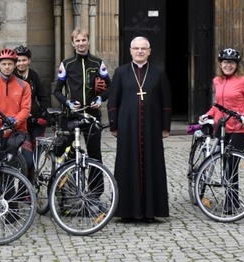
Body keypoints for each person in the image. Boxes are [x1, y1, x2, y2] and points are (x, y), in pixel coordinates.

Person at [107, 36, 172, 223]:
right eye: (136, 48)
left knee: (153, 165)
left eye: (143, 48)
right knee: (127, 166)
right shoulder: (121, 72)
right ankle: (127, 211)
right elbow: (113, 100)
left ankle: (151, 211)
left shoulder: (158, 73)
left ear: (149, 51)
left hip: (152, 128)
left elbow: (166, 101)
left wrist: (165, 127)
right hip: (127, 128)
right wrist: (114, 125)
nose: (140, 51)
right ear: (130, 51)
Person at [53, 28, 110, 166]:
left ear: (88, 41)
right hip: (71, 116)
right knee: (69, 154)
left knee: (95, 154)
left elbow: (111, 86)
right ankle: (69, 187)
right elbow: (57, 91)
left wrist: (100, 99)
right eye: (77, 40)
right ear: (73, 43)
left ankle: (97, 188)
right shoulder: (66, 64)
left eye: (83, 40)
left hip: (91, 115)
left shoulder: (97, 63)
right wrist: (68, 103)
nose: (81, 43)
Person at [201, 48, 244, 152]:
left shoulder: (243, 80)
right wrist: (208, 115)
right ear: (220, 64)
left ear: (237, 65)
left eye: (232, 62)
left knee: (232, 164)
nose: (228, 65)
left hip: (238, 127)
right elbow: (218, 105)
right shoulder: (217, 81)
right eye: (225, 62)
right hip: (221, 126)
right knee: (221, 162)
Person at [0, 49, 33, 173]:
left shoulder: (24, 86)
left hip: (18, 130)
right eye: (4, 64)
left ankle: (21, 191)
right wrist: (4, 121)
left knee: (19, 164)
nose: (7, 67)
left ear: (15, 65)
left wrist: (15, 121)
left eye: (10, 64)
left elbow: (26, 109)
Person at [14, 45, 50, 143]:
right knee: (25, 149)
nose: (21, 63)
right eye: (18, 60)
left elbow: (43, 96)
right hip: (18, 120)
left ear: (29, 61)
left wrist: (43, 114)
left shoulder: (34, 75)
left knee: (37, 146)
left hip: (34, 118)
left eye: (24, 60)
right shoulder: (12, 77)